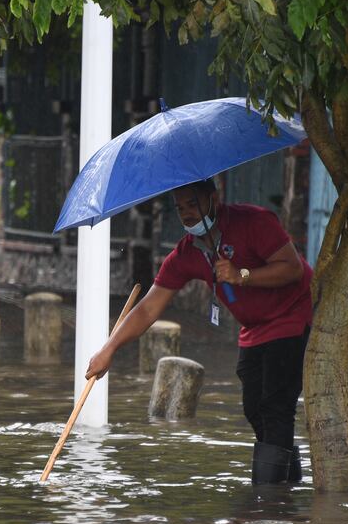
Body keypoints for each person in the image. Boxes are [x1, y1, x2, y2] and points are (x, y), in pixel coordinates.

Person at [84, 178, 313, 484]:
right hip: (255, 328)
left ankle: (270, 498)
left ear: (213, 200)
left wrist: (242, 275)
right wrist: (108, 350)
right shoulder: (188, 253)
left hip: (293, 314)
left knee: (274, 405)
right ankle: (286, 486)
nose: (187, 213)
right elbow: (149, 308)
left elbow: (292, 268)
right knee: (254, 408)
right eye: (180, 208)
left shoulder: (253, 221)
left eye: (192, 204)